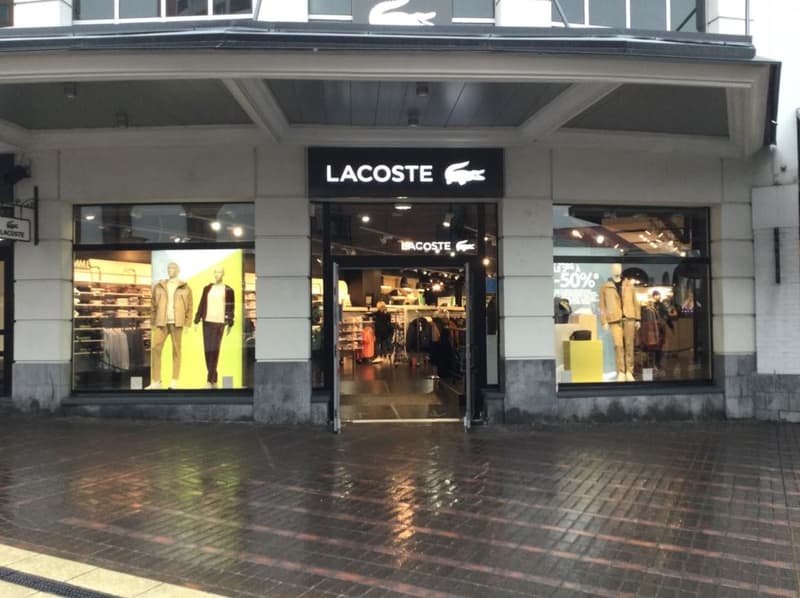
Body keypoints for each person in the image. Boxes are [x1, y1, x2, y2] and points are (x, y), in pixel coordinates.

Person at [147, 262, 192, 390]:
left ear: (178, 270)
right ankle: (156, 380)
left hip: (177, 322)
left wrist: (187, 323)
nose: (170, 270)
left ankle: (174, 380)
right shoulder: (159, 286)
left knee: (176, 351)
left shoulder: (185, 287)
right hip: (162, 322)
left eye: (172, 268)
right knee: (155, 348)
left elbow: (190, 306)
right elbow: (153, 305)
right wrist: (152, 322)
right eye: (168, 268)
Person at [599, 263, 640, 382]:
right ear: (611, 270)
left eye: (619, 267)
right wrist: (604, 320)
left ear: (621, 269)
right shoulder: (605, 287)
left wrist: (638, 319)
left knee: (629, 345)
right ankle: (621, 371)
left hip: (629, 318)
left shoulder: (629, 285)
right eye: (614, 267)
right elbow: (602, 306)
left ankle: (629, 371)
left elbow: (635, 302)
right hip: (614, 319)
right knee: (618, 346)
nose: (617, 269)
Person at [194, 267, 235, 388]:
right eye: (215, 272)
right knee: (207, 350)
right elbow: (202, 303)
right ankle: (214, 379)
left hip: (219, 322)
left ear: (223, 274)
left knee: (215, 351)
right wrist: (197, 319)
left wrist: (230, 321)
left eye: (220, 272)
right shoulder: (207, 288)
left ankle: (209, 380)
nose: (217, 274)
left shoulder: (228, 290)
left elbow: (231, 307)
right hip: (207, 321)